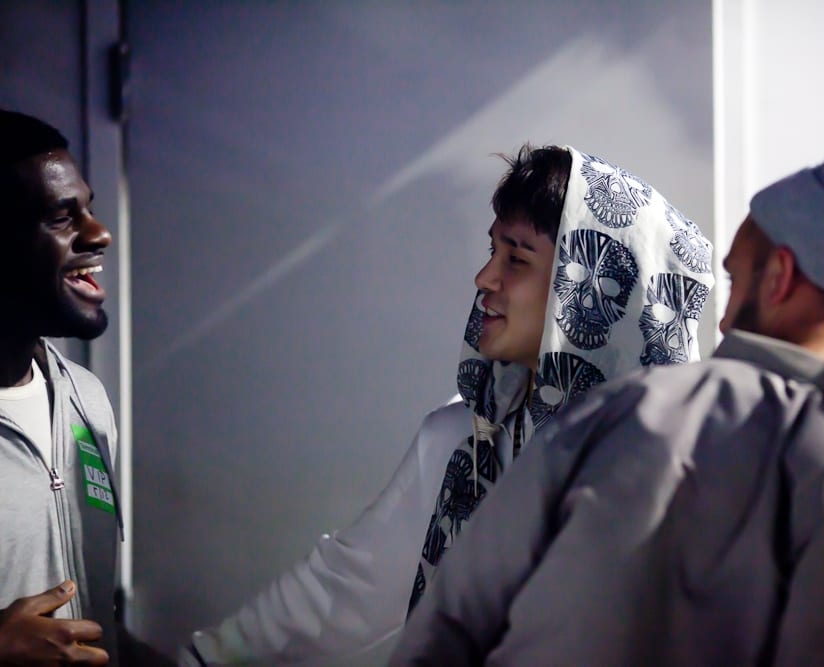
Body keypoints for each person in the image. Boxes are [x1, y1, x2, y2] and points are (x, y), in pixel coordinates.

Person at [391, 142, 824, 665]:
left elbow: (456, 623)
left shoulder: (624, 419)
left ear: (780, 276)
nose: (723, 319)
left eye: (734, 281)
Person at [180, 145, 716, 664]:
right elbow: (342, 590)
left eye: (516, 258)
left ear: (592, 287)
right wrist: (207, 658)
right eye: (493, 251)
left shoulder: (685, 473)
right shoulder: (463, 443)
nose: (485, 278)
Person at [0, 110, 121, 665]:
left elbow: (94, 618)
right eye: (61, 217)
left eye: (89, 209)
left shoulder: (86, 400)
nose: (99, 233)